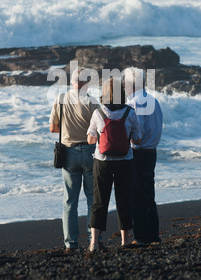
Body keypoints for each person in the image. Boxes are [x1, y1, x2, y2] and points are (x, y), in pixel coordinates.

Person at [87, 77, 141, 251]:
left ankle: (94, 242)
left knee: (99, 201)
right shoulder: (130, 113)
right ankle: (125, 240)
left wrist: (101, 137)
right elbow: (137, 140)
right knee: (123, 199)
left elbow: (90, 139)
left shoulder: (98, 113)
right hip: (125, 161)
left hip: (102, 162)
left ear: (104, 93)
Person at [49, 67, 99, 251]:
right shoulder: (92, 101)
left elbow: (53, 128)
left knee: (70, 200)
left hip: (68, 152)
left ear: (72, 82)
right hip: (89, 151)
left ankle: (70, 243)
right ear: (87, 83)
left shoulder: (60, 99)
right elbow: (99, 129)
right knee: (92, 198)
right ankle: (93, 240)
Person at [123, 67, 163, 245]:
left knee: (137, 196)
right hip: (151, 151)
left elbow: (138, 135)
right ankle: (153, 235)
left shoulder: (135, 102)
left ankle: (141, 237)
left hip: (139, 153)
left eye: (125, 82)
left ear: (132, 84)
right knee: (148, 195)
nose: (123, 85)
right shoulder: (153, 100)